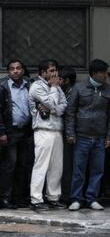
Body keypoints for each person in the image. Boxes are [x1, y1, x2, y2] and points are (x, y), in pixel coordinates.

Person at [66, 59, 110, 211]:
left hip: (100, 137)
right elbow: (70, 112)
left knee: (97, 170)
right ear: (93, 73)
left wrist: (108, 136)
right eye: (103, 72)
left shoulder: (108, 89)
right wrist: (70, 133)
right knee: (79, 169)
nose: (105, 75)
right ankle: (76, 198)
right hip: (81, 136)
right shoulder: (79, 88)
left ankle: (92, 198)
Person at [0, 59, 33, 209]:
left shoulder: (29, 84)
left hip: (25, 131)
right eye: (12, 69)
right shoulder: (2, 86)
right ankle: (3, 198)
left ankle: (18, 198)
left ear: (22, 70)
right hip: (9, 132)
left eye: (18, 68)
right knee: (9, 165)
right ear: (8, 71)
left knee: (22, 165)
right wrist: (1, 132)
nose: (15, 71)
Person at [28, 59, 67, 211]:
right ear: (42, 72)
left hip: (57, 130)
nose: (54, 74)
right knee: (41, 166)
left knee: (56, 167)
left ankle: (53, 197)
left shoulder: (56, 87)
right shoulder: (36, 86)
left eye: (55, 70)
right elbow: (51, 103)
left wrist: (52, 108)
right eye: (51, 71)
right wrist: (54, 88)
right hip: (43, 130)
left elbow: (63, 106)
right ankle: (36, 199)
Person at [58, 66, 77, 205]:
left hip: (70, 134)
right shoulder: (63, 91)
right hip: (64, 132)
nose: (56, 80)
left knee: (68, 166)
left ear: (67, 80)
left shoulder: (72, 93)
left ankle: (67, 196)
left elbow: (67, 113)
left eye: (60, 78)